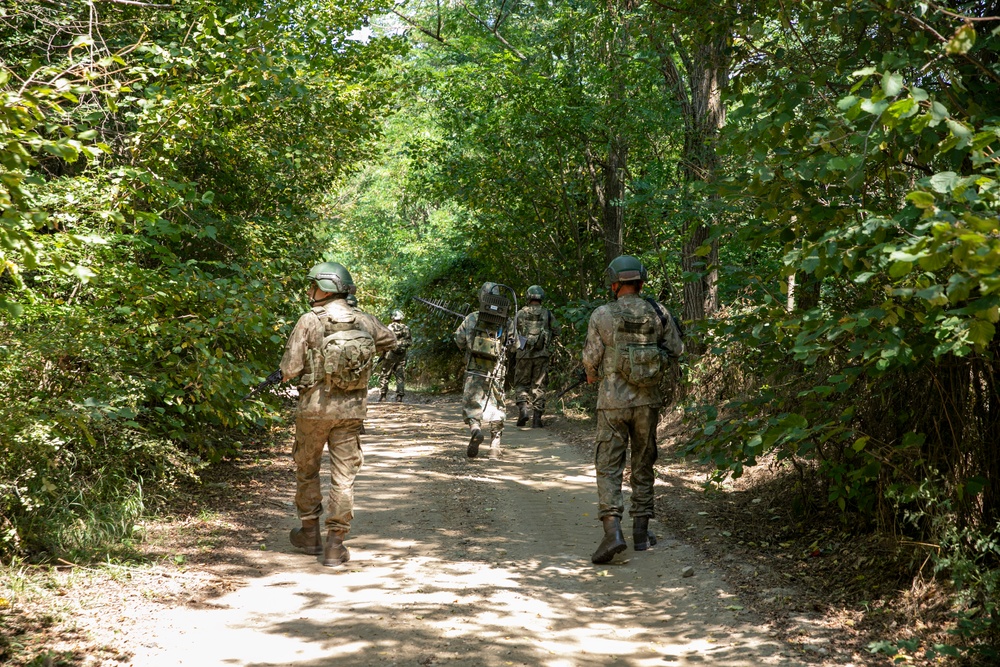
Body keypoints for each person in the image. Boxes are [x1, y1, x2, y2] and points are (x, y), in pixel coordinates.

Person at [279, 261, 396, 567]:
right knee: (344, 478)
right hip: (351, 411)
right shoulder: (364, 320)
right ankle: (335, 545)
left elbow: (289, 369)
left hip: (313, 410)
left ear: (326, 288)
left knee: (307, 470)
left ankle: (309, 534)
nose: (308, 291)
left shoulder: (308, 320)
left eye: (312, 285)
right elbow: (389, 340)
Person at [582, 255, 683, 564]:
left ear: (614, 284)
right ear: (641, 282)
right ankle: (641, 533)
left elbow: (590, 359)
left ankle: (613, 532)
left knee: (609, 465)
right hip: (647, 402)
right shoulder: (659, 312)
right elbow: (676, 349)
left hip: (611, 403)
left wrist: (590, 375)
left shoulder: (602, 314)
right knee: (643, 462)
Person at [454, 282, 515, 460]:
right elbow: (514, 346)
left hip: (475, 369)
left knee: (472, 403)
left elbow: (458, 340)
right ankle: (495, 446)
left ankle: (475, 429)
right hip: (497, 371)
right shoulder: (507, 321)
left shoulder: (472, 317)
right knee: (497, 405)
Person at [512, 285, 560, 428]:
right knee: (539, 386)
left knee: (521, 384)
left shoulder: (520, 313)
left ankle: (523, 410)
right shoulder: (548, 314)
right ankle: (537, 419)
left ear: (528, 297)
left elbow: (511, 332)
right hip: (541, 355)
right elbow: (557, 330)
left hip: (523, 354)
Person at [379, 310, 412, 403]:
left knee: (385, 375)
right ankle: (399, 397)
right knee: (400, 375)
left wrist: (383, 353)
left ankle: (383, 396)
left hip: (389, 355)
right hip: (401, 356)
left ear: (392, 317)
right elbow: (409, 342)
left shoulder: (388, 328)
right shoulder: (406, 328)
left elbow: (384, 341)